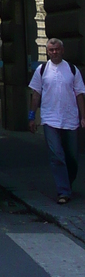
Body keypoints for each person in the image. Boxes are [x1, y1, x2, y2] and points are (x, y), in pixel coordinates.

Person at [29, 37, 85, 204]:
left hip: (70, 118)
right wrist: (32, 117)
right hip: (49, 118)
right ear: (47, 52)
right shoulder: (42, 70)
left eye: (57, 49)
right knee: (56, 155)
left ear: (62, 50)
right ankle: (63, 191)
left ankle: (67, 183)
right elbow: (36, 94)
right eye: (51, 50)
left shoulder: (72, 70)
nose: (54, 52)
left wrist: (83, 116)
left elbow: (80, 94)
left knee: (72, 157)